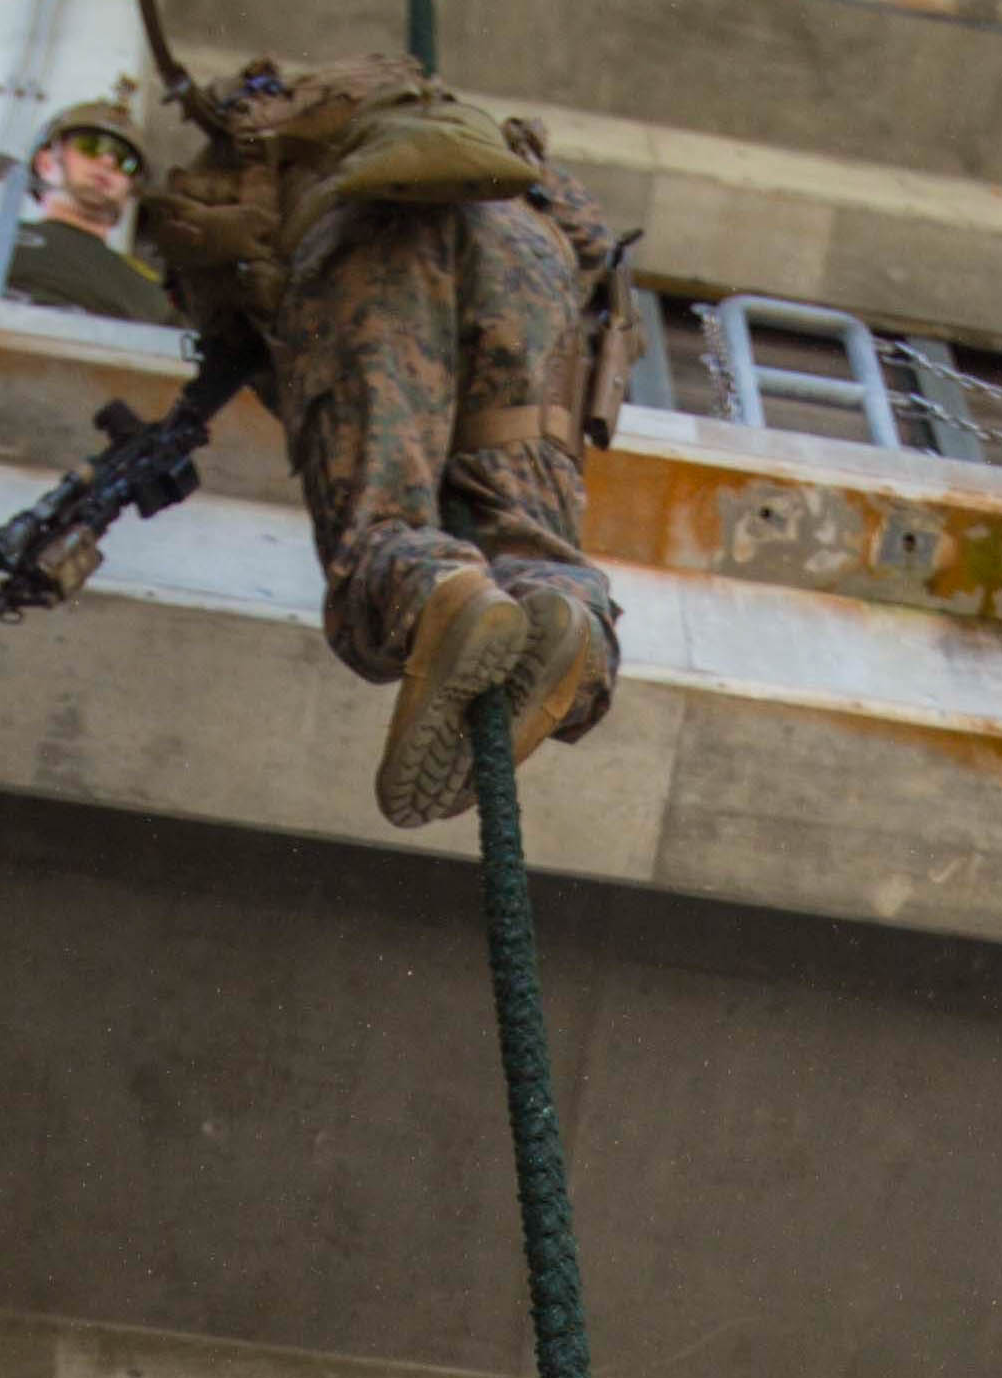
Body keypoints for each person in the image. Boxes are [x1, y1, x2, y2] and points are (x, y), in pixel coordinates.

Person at [133, 52, 636, 828]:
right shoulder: (474, 134)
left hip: (369, 239)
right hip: (524, 249)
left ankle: (434, 590)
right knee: (530, 532)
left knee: (382, 524)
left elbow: (233, 291)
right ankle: (562, 610)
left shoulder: (249, 156)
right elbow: (593, 245)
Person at [0, 101, 181, 328]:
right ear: (45, 162)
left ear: (131, 191)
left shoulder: (150, 289)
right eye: (91, 146)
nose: (107, 161)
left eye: (125, 162)